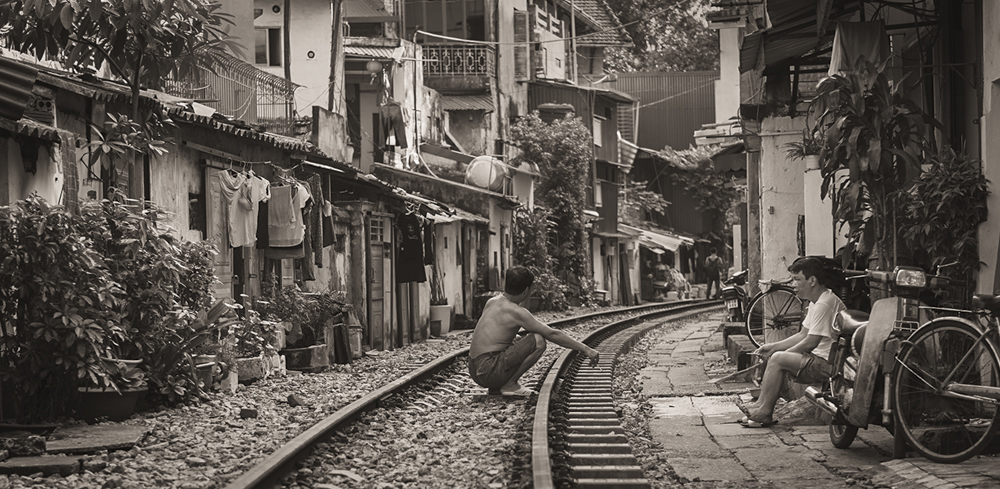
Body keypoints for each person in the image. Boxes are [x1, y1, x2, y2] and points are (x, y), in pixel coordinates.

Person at [742, 256, 846, 428]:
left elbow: (811, 342)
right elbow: (802, 335)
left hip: (827, 363)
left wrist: (781, 354)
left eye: (797, 279)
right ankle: (760, 407)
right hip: (817, 358)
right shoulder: (817, 301)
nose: (794, 284)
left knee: (777, 359)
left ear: (812, 280)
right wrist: (772, 347)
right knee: (775, 355)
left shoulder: (824, 304)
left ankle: (765, 412)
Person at [469, 267, 600, 396]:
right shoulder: (516, 312)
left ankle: (498, 384)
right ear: (527, 290)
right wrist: (586, 349)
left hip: (475, 370)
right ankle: (510, 384)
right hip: (489, 371)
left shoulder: (492, 301)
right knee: (538, 340)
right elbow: (552, 334)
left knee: (517, 339)